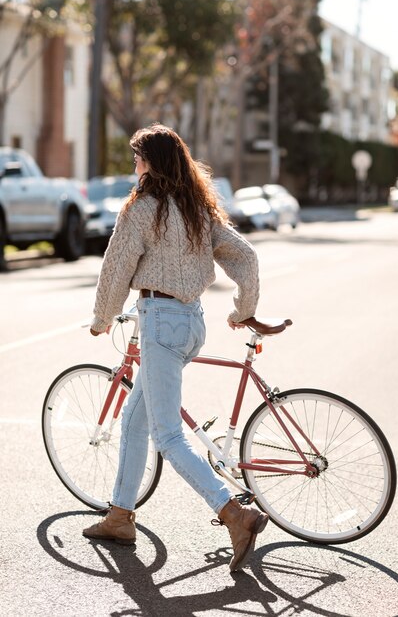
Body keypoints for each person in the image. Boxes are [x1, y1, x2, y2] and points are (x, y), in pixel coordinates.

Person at [82, 123, 268, 572]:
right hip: (192, 324)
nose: (134, 166)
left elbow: (116, 266)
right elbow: (246, 255)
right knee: (134, 417)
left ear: (151, 163)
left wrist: (102, 318)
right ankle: (120, 516)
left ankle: (234, 514)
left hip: (161, 322)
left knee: (166, 434)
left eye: (137, 159)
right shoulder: (197, 208)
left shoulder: (144, 208)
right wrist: (244, 308)